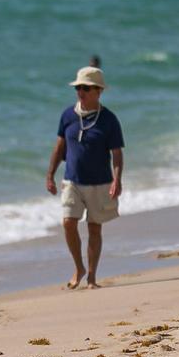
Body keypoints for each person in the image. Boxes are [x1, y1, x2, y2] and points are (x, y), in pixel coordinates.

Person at [46, 67, 124, 289]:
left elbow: (117, 154)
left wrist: (117, 180)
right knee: (68, 222)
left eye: (86, 88)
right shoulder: (68, 115)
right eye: (78, 87)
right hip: (72, 180)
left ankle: (91, 277)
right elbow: (59, 146)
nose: (81, 91)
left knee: (94, 228)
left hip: (101, 182)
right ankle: (78, 267)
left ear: (98, 91)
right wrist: (50, 174)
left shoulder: (109, 120)